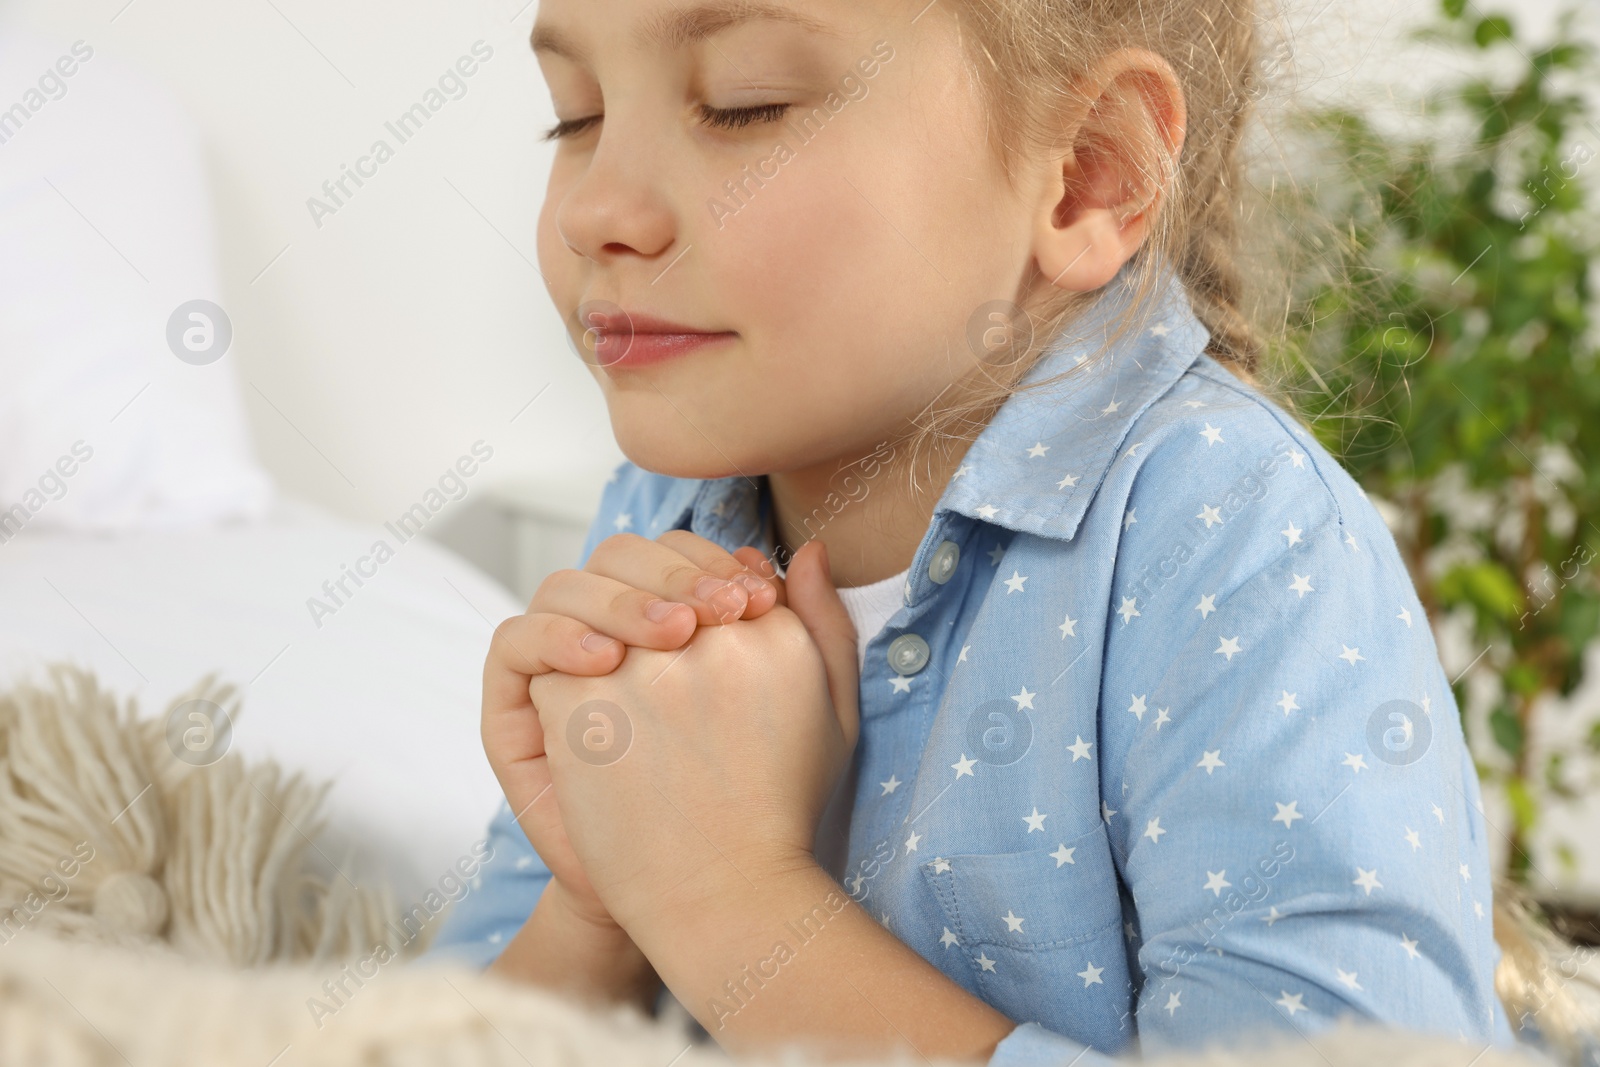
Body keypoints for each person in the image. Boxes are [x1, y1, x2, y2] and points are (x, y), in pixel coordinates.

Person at [423, 0, 1518, 1062]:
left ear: (1090, 170)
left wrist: (727, 899)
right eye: (576, 114)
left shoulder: (1236, 532)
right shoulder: (658, 506)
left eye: (743, 106)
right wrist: (598, 896)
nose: (593, 209)